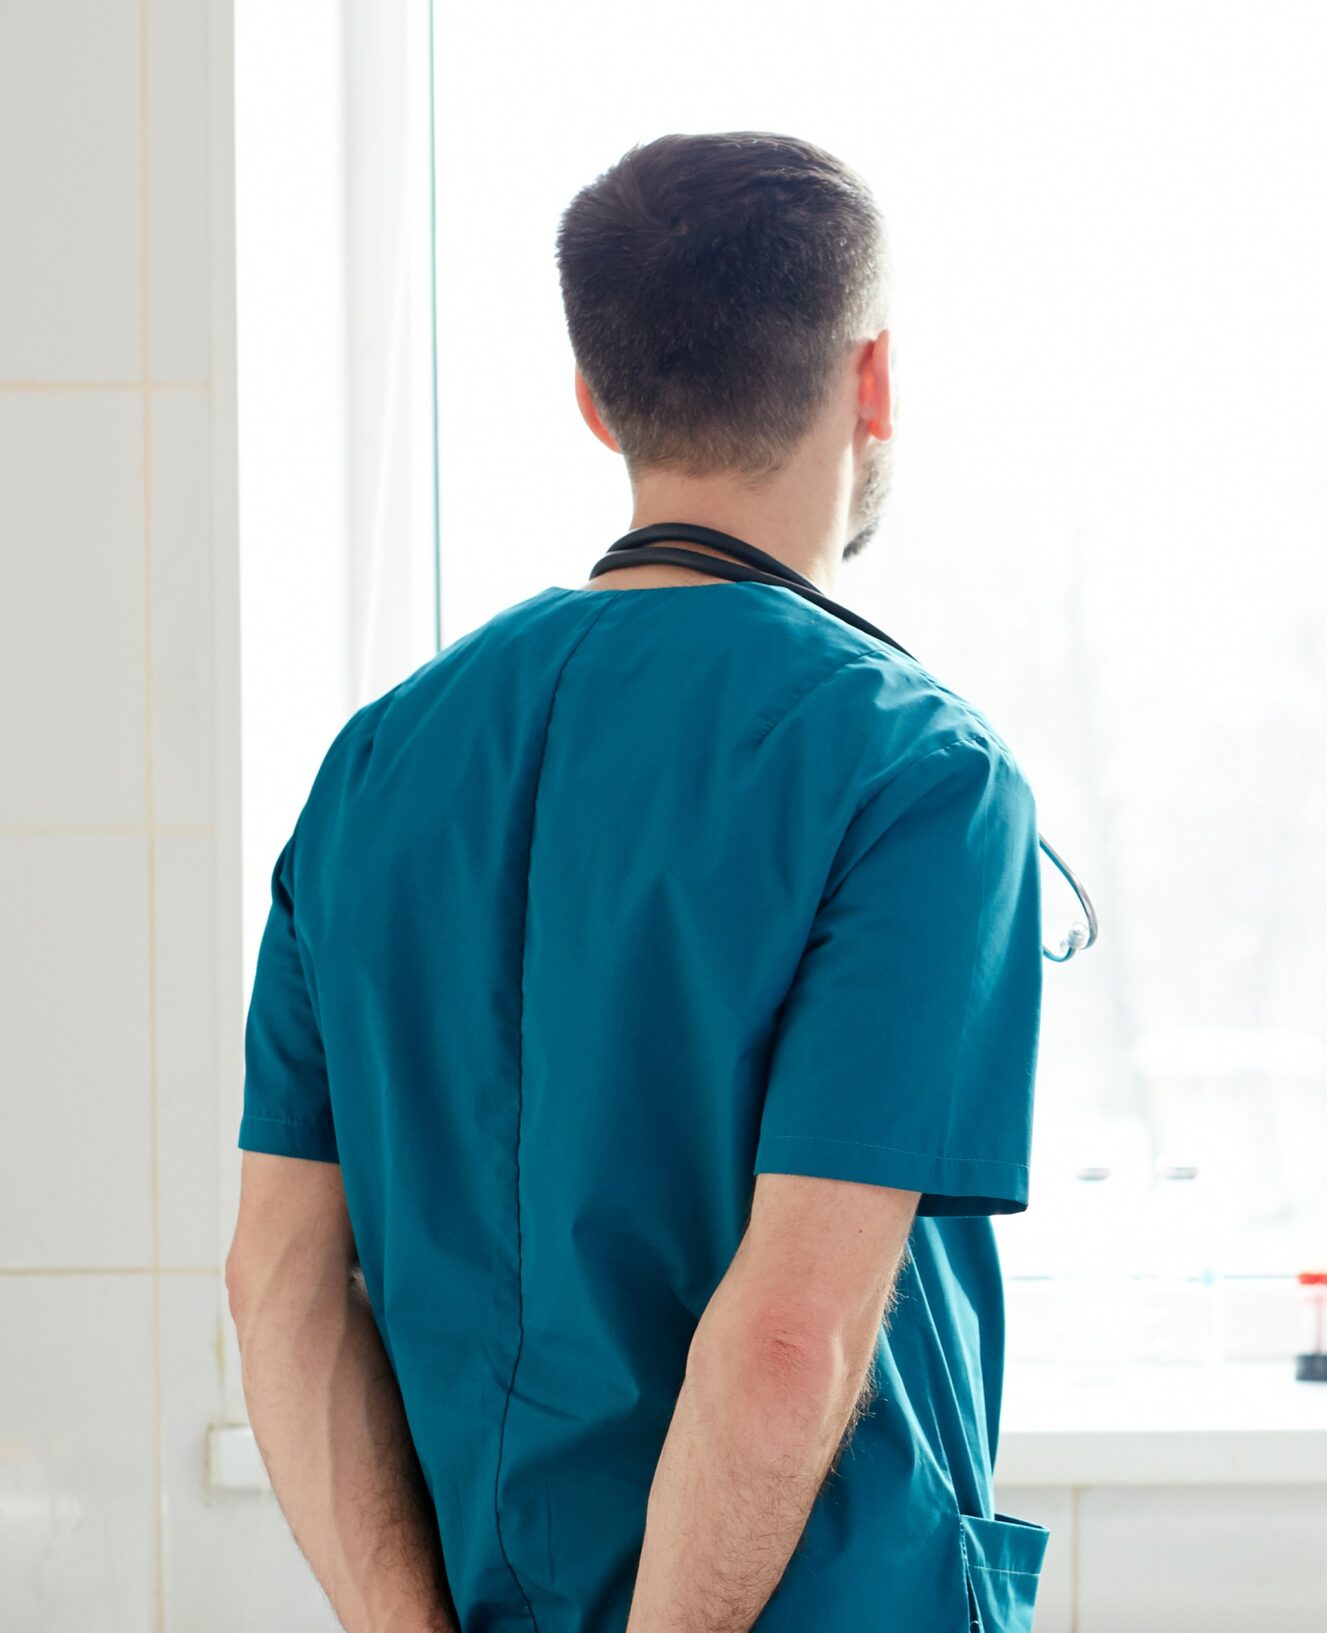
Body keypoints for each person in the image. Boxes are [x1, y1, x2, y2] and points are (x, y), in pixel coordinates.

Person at [221, 132, 1050, 1633]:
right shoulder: (917, 772)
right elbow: (792, 1334)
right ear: (872, 384)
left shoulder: (374, 770)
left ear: (597, 399)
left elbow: (280, 1281)